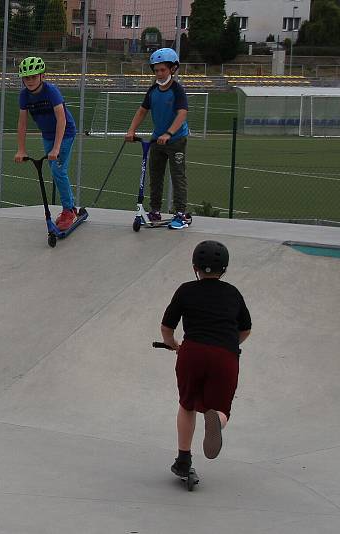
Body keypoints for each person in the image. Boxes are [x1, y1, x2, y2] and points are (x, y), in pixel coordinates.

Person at [160, 241, 252, 477]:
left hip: (192, 353)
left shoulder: (186, 290)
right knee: (221, 408)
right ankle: (217, 422)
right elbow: (245, 329)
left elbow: (167, 328)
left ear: (195, 267)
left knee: (187, 405)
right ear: (225, 269)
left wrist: (173, 345)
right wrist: (229, 346)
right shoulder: (233, 293)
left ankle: (183, 459)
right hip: (225, 356)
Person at [14, 56, 87, 231]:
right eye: (26, 78)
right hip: (47, 135)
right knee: (56, 171)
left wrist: (56, 147)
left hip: (65, 132)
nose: (30, 81)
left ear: (42, 76)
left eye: (33, 76)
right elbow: (22, 123)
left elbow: (61, 119)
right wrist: (21, 149)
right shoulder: (24, 96)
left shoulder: (51, 91)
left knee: (58, 170)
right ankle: (70, 207)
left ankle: (69, 210)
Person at [125, 48, 190, 229]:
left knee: (178, 176)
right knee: (155, 175)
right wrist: (131, 131)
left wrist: (169, 134)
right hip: (157, 140)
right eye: (156, 70)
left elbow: (182, 114)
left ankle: (180, 214)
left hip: (176, 139)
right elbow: (142, 111)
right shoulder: (153, 90)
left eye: (163, 70)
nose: (159, 74)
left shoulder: (177, 90)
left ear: (173, 69)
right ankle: (155, 210)